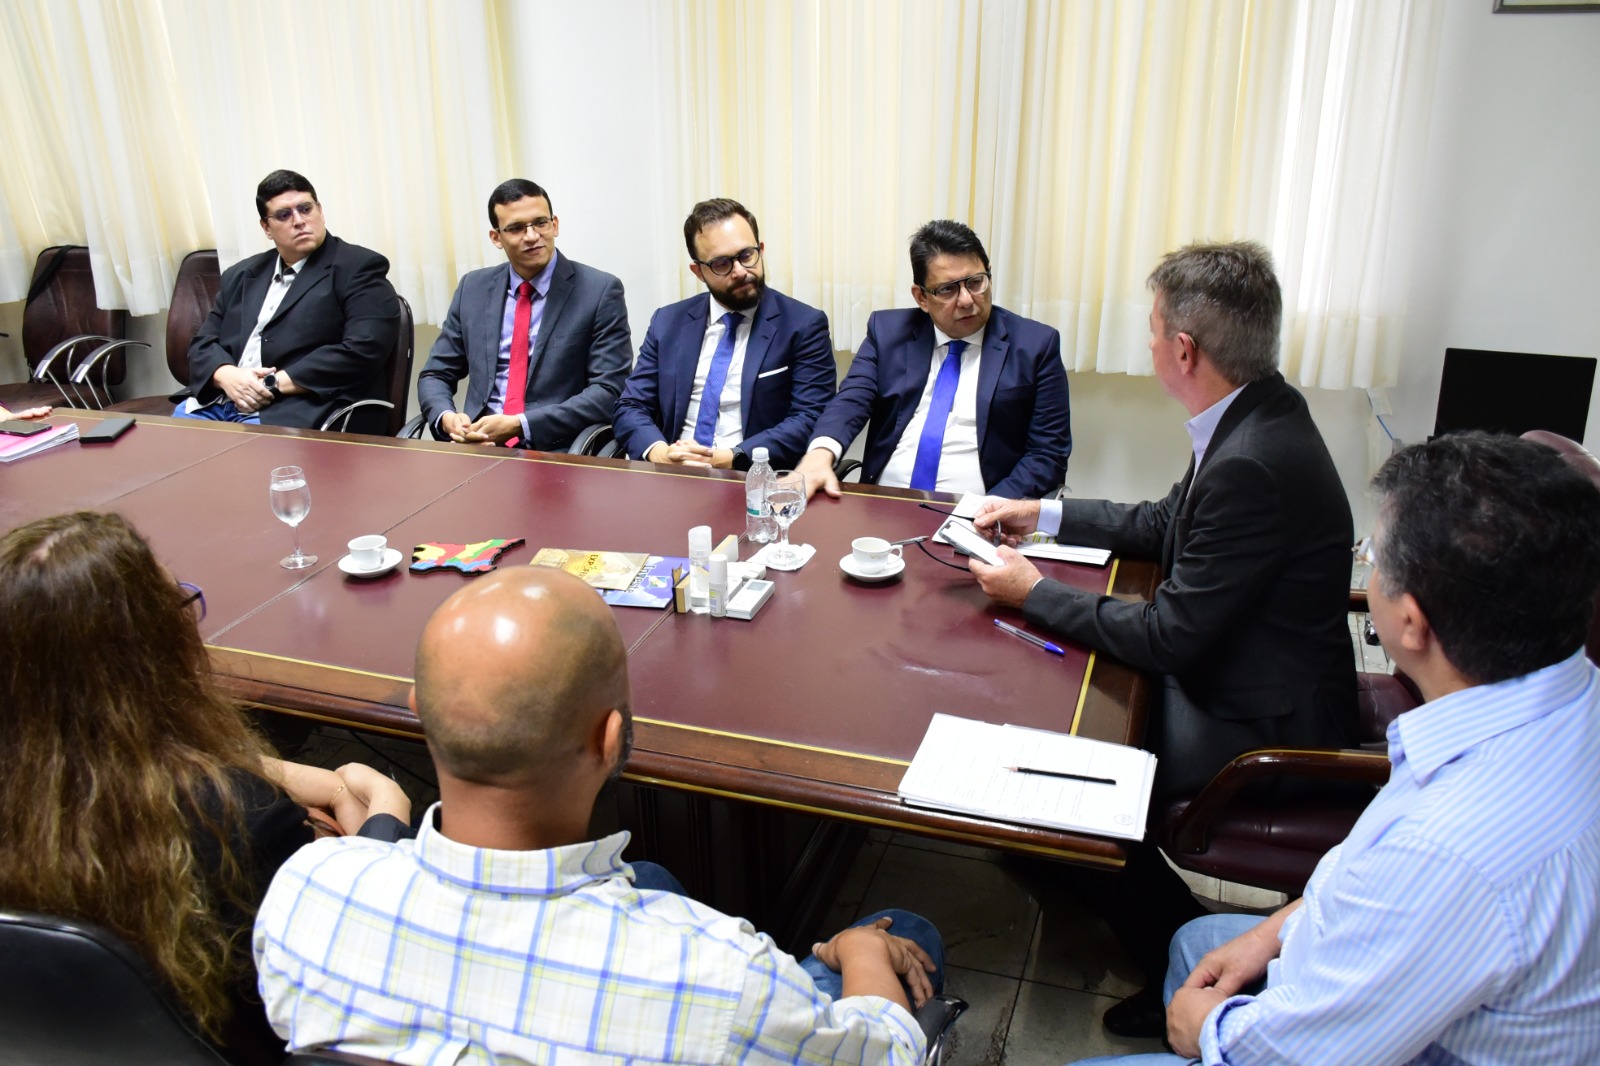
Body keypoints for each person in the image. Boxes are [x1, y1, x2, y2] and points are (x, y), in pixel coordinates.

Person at [255, 567, 946, 1064]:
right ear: (609, 740)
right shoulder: (721, 978)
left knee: (646, 876)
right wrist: (857, 951)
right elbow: (887, 1054)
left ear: (419, 714)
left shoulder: (304, 892)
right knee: (904, 931)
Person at [1072, 432, 1600, 1065]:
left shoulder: (1448, 853)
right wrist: (1273, 930)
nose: (1368, 565)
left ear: (1409, 621)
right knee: (1197, 943)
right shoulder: (1563, 698)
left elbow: (1293, 1055)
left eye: (1374, 555)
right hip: (1394, 966)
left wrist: (1206, 1033)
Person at [968, 240, 1356, 1037]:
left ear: (1185, 348)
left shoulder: (1253, 458)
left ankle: (1175, 953)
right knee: (1059, 705)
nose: (1147, 344)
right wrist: (1039, 513)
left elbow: (1172, 636)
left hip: (1264, 719)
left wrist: (1032, 590)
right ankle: (1070, 868)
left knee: (1070, 776)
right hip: (1262, 666)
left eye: (1151, 330)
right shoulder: (1255, 409)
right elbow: (1163, 524)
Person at [0, 511, 410, 1065]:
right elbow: (340, 939)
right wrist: (385, 818)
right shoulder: (239, 818)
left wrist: (256, 766)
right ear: (153, 652)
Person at [795, 219, 1071, 500]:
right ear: (922, 297)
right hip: (886, 504)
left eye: (976, 282)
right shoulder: (888, 332)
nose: (966, 300)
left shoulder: (1035, 345)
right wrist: (821, 453)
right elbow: (852, 399)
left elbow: (1048, 454)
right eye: (947, 289)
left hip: (980, 514)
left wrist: (991, 509)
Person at [612, 198, 836, 469]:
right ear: (699, 271)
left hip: (751, 477)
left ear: (760, 250)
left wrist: (732, 457)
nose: (741, 271)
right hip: (673, 474)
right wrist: (660, 454)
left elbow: (810, 417)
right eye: (721, 264)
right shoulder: (668, 322)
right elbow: (631, 405)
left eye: (746, 255)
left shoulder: (803, 324)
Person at [416, 179, 633, 451]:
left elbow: (608, 390)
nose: (531, 236)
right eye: (516, 228)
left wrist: (521, 423)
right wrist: (447, 418)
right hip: (476, 445)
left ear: (555, 224)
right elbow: (435, 374)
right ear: (496, 237)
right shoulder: (473, 288)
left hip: (554, 449)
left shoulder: (599, 291)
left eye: (540, 223)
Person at [179, 169, 401, 431]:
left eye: (306, 209)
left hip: (296, 410)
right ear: (266, 227)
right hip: (216, 401)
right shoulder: (240, 275)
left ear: (320, 210)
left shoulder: (359, 267)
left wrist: (268, 384)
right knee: (163, 457)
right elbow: (202, 344)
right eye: (284, 215)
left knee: (231, 467)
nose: (299, 221)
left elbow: (363, 350)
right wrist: (225, 375)